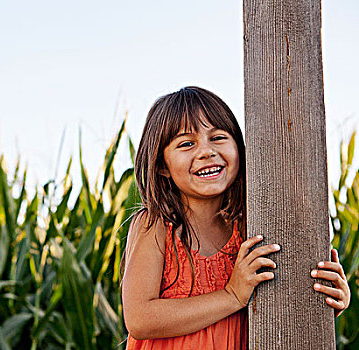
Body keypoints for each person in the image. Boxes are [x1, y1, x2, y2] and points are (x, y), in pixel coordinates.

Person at [121, 86, 350, 349]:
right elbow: (139, 319)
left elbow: (284, 303)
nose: (206, 151)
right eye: (186, 144)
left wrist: (329, 301)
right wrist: (231, 295)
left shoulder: (252, 229)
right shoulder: (155, 225)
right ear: (161, 165)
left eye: (218, 137)